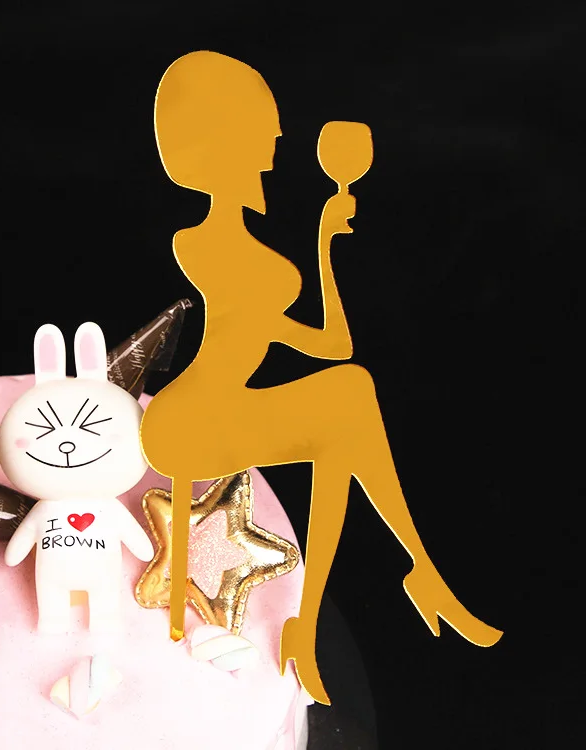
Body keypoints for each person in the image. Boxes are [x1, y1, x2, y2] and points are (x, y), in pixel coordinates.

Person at [140, 50, 502, 705]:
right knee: (346, 404)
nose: (276, 151)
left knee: (348, 398)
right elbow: (261, 327)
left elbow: (333, 344)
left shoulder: (253, 256)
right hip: (188, 421)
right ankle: (394, 582)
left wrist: (325, 246)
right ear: (227, 141)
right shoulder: (203, 243)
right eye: (268, 135)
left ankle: (375, 590)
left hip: (220, 408)